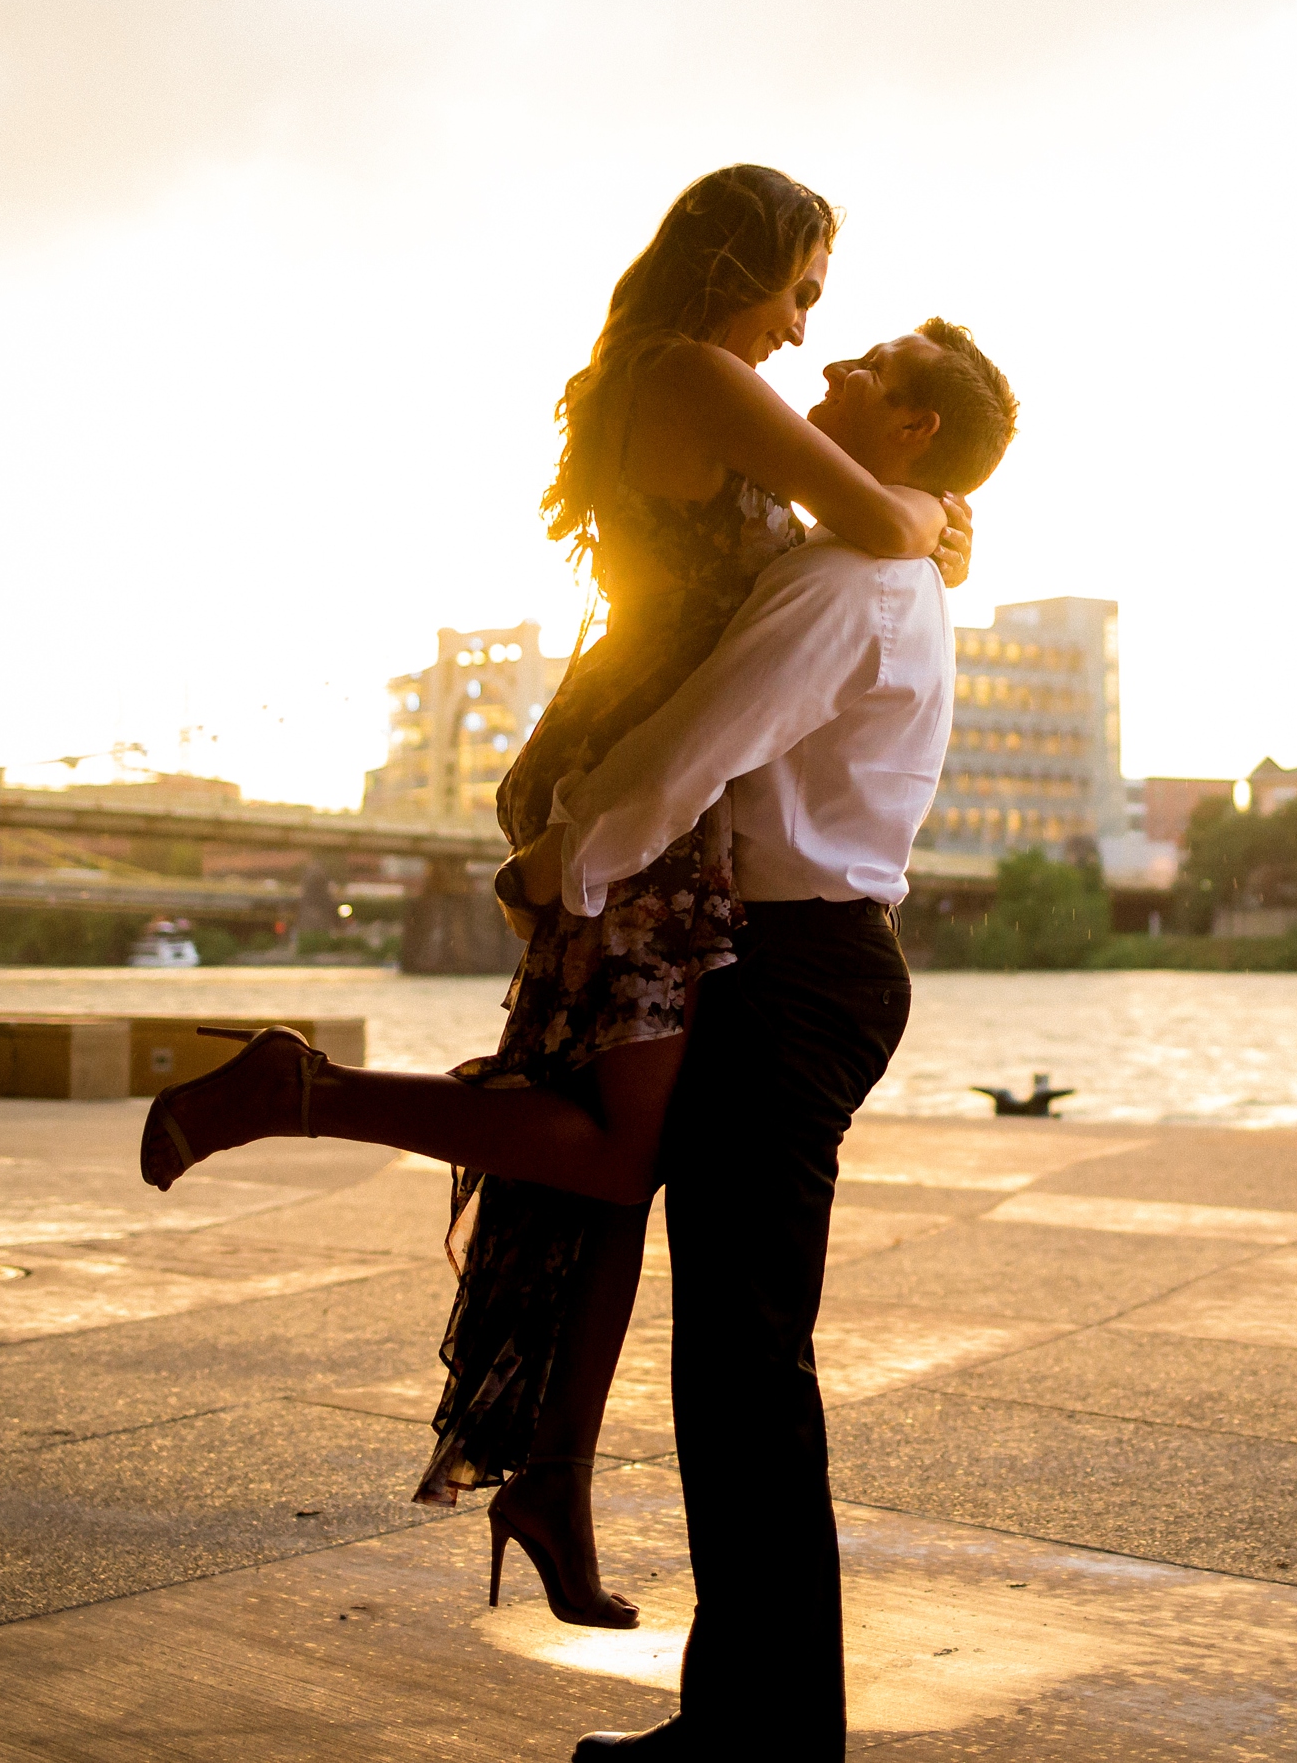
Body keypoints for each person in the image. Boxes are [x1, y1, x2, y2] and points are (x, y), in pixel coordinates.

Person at [135, 165, 971, 1629]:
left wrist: (930, 499)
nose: (801, 331)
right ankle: (299, 1089)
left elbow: (878, 525)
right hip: (630, 799)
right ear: (739, 260)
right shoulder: (697, 371)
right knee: (615, 1152)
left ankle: (555, 1480)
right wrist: (933, 500)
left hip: (652, 794)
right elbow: (883, 525)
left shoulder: (669, 369)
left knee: (612, 1169)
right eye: (800, 290)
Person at [512, 320, 1019, 1759]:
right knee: (745, 1361)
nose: (837, 360)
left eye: (875, 363)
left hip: (792, 974)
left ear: (913, 425)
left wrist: (557, 861)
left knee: (743, 1365)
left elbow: (695, 747)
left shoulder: (850, 586)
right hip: (811, 966)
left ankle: (757, 1739)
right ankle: (758, 1725)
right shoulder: (877, 556)